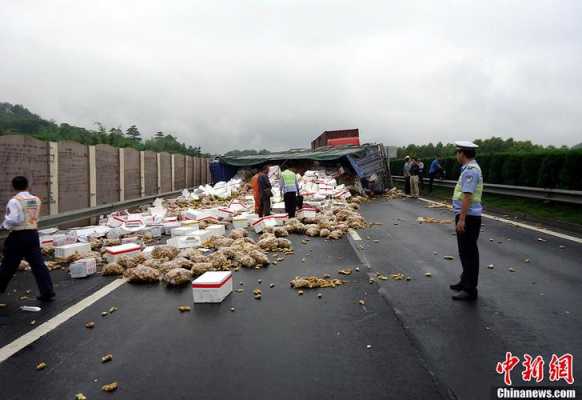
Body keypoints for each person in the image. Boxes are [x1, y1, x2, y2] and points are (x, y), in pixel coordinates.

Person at [0, 176, 55, 301]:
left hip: (18, 236)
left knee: (8, 265)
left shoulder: (14, 201)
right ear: (27, 185)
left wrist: (4, 225)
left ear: (13, 186)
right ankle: (47, 291)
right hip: (33, 235)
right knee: (38, 265)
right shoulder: (36, 199)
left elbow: (14, 219)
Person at [450, 142, 483, 301]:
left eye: (457, 152)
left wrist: (462, 219)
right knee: (464, 252)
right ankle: (464, 282)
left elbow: (468, 196)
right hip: (467, 215)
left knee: (469, 253)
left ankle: (470, 289)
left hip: (468, 217)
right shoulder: (468, 169)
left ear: (462, 153)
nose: (456, 155)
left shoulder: (471, 171)